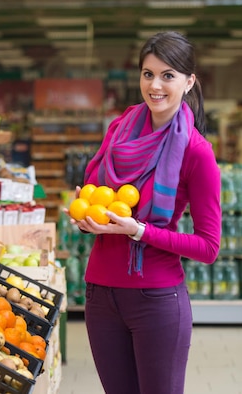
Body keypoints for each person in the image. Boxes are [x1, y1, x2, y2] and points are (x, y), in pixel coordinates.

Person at [66, 31, 222, 394]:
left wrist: (138, 231)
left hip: (156, 298)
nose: (156, 85)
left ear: (189, 82)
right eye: (148, 74)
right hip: (100, 294)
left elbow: (208, 246)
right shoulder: (119, 130)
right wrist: (88, 222)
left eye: (168, 75)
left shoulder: (197, 153)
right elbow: (99, 202)